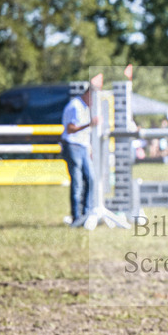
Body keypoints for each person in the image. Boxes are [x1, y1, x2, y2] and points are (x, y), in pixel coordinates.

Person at [60, 83, 100, 228]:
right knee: (77, 183)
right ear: (88, 94)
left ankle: (86, 213)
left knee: (91, 179)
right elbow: (70, 129)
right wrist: (89, 124)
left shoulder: (85, 107)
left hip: (82, 147)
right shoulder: (75, 106)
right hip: (73, 146)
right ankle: (76, 217)